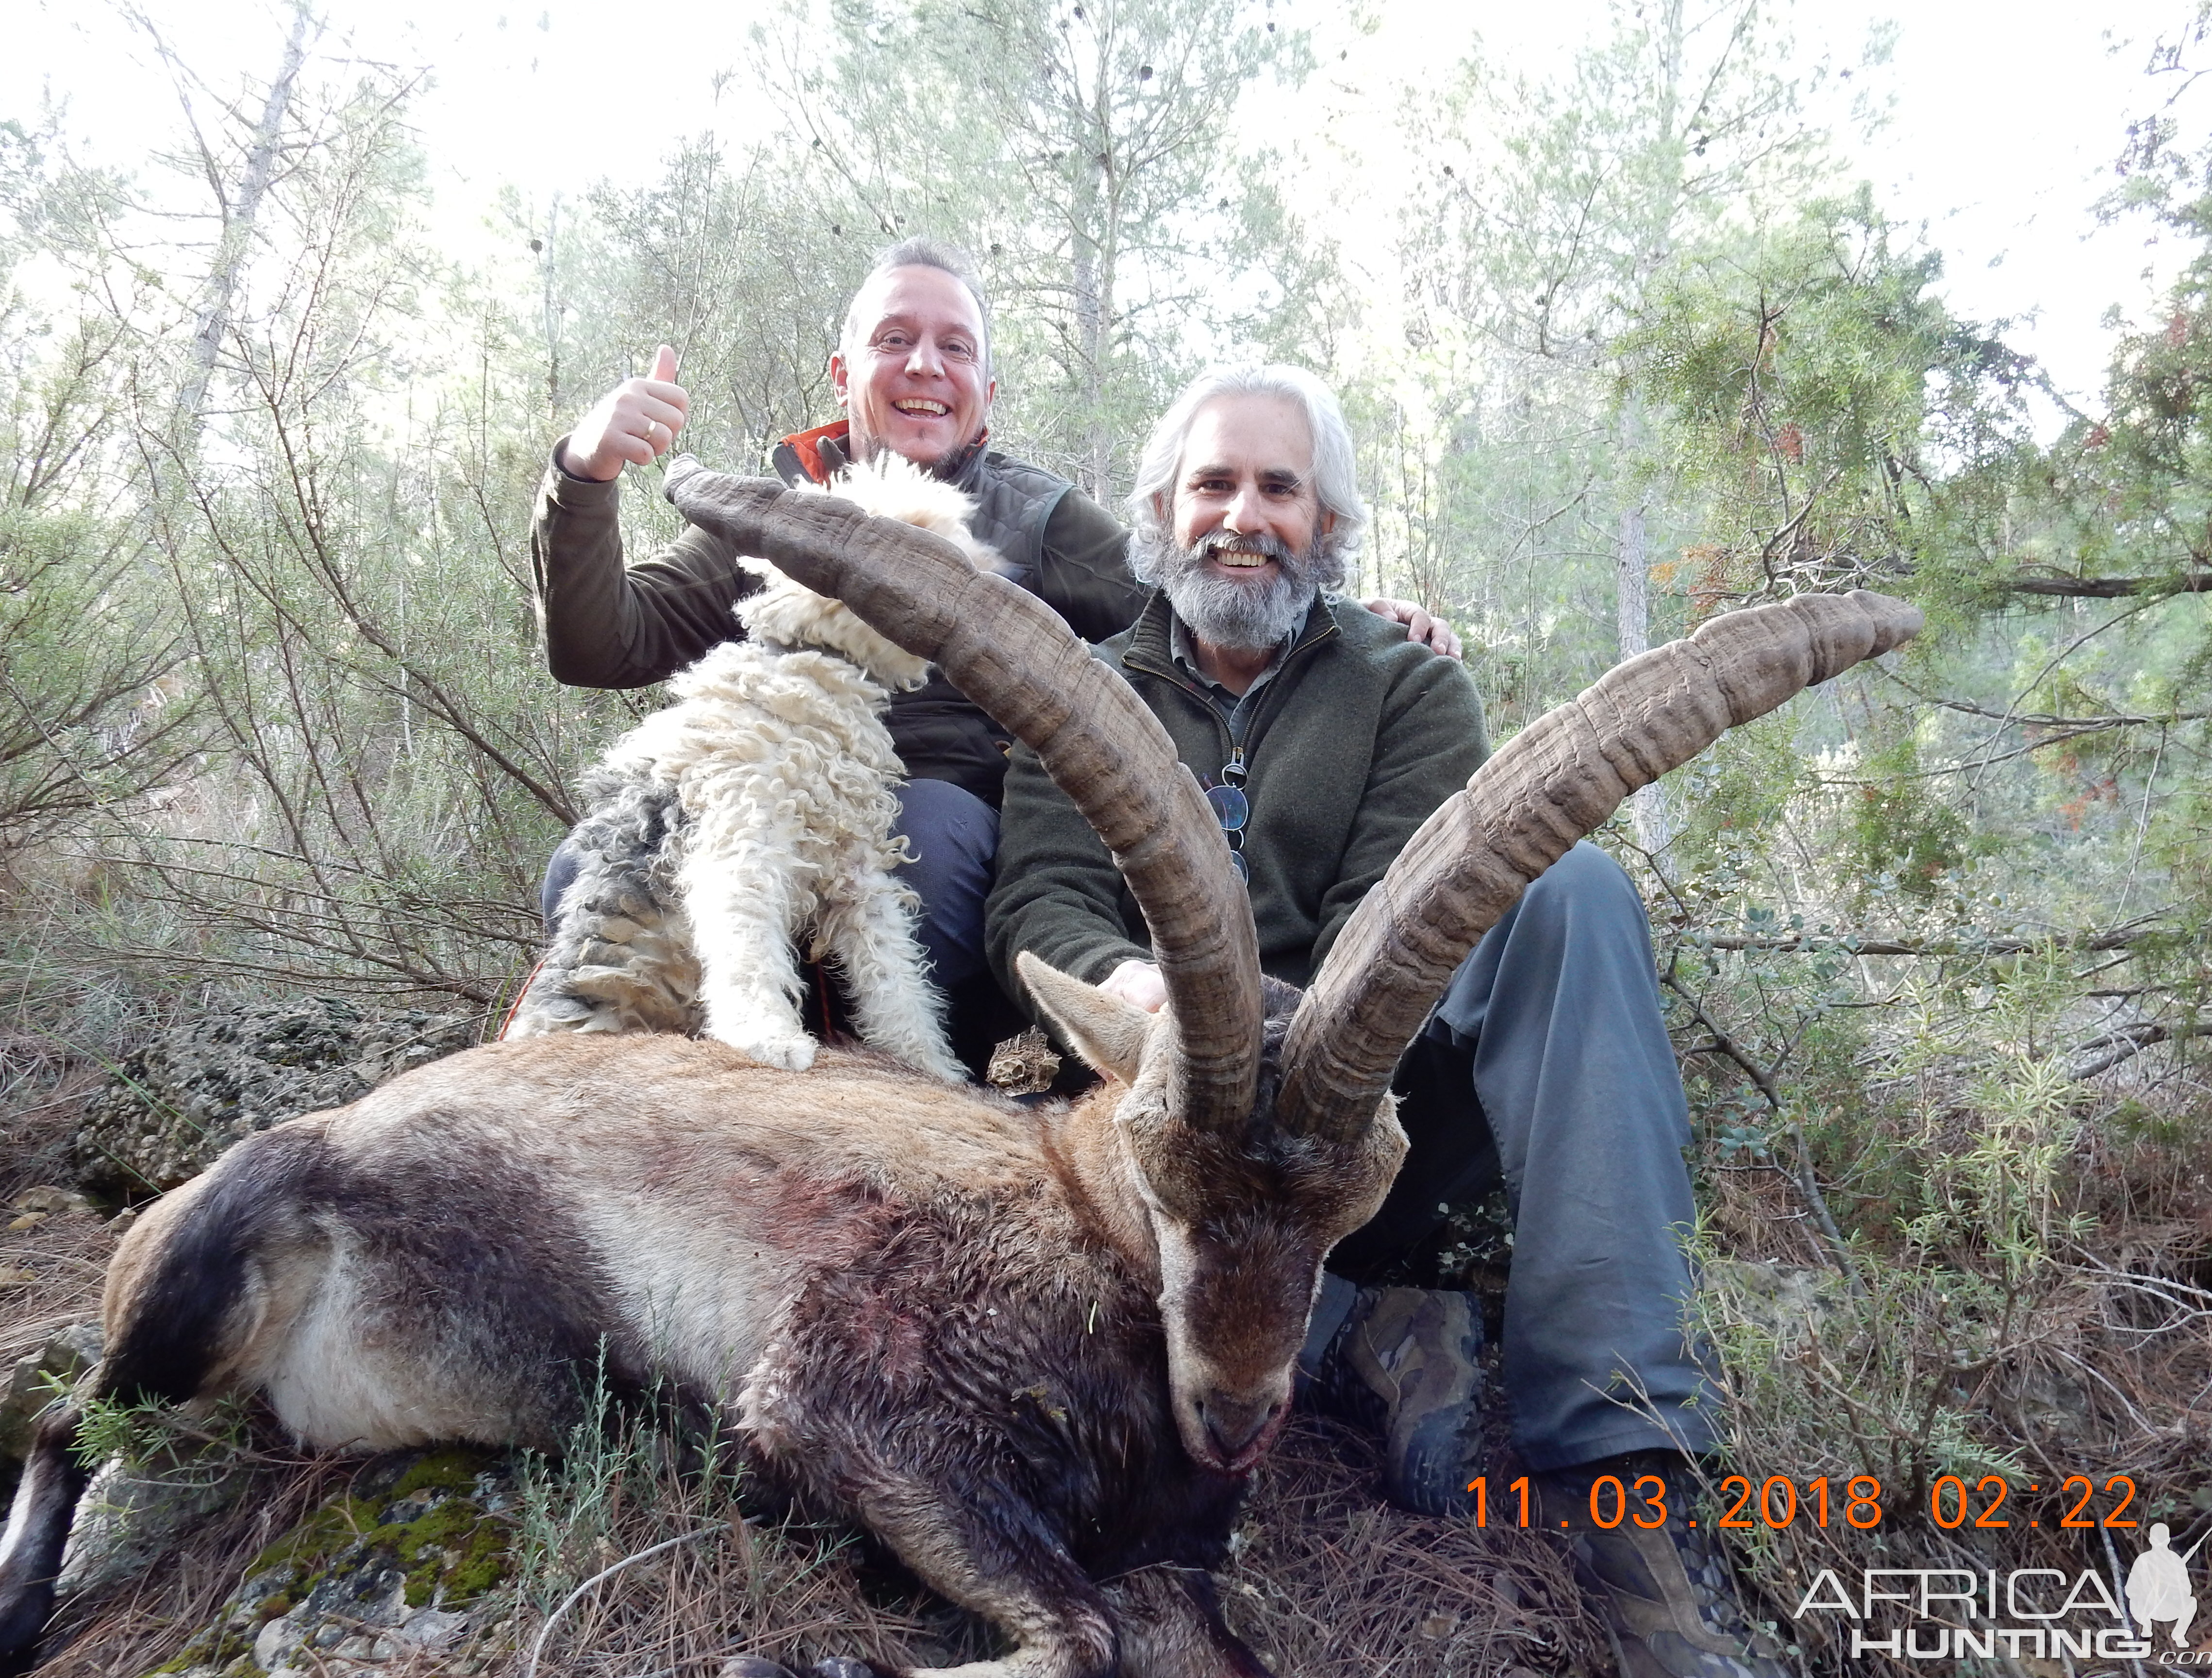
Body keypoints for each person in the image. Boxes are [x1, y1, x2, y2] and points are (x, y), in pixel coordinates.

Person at [983, 363, 1792, 1678]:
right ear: (1162, 510)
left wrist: (1241, 1029)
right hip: (1174, 1160)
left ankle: (1632, 1471)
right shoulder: (1080, 690)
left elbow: (1396, 932)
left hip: (1353, 1135)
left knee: (1575, 889)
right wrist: (1127, 986)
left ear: (1327, 523)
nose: (1242, 515)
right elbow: (1040, 896)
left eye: (1279, 488)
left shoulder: (1406, 686)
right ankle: (1371, 1325)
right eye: (1213, 484)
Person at [529, 239, 1451, 1062]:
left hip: (944, 833)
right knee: (586, 869)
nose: (925, 365)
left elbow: (1201, 583)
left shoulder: (1037, 519)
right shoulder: (780, 516)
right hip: (769, 796)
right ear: (843, 368)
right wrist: (586, 474)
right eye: (895, 340)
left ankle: (877, 1104)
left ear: (987, 393)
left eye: (955, 347)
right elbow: (603, 642)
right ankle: (628, 1085)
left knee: (926, 839)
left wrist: (1343, 615)